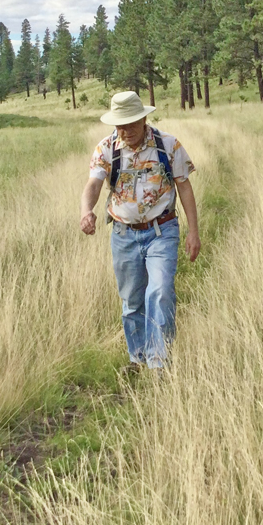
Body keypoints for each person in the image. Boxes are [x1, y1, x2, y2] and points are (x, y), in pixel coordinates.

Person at [80, 90, 201, 371]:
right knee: (133, 299)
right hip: (123, 235)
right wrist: (86, 211)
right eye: (119, 125)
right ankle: (138, 358)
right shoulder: (106, 149)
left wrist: (193, 232)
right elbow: (94, 184)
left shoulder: (168, 146)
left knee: (159, 292)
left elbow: (184, 187)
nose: (125, 131)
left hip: (162, 231)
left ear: (144, 119)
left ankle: (159, 363)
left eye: (131, 124)